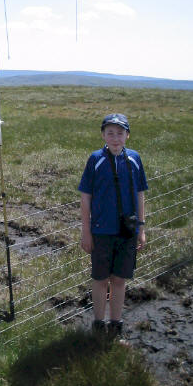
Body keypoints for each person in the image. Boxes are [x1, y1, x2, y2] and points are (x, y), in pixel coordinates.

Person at [78, 113, 148, 339]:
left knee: (119, 280)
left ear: (127, 135)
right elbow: (85, 197)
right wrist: (86, 232)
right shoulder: (95, 159)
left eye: (120, 133)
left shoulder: (135, 159)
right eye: (110, 133)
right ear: (103, 135)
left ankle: (115, 326)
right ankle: (98, 324)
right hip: (100, 232)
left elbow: (140, 194)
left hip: (127, 232)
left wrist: (141, 228)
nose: (115, 138)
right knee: (99, 279)